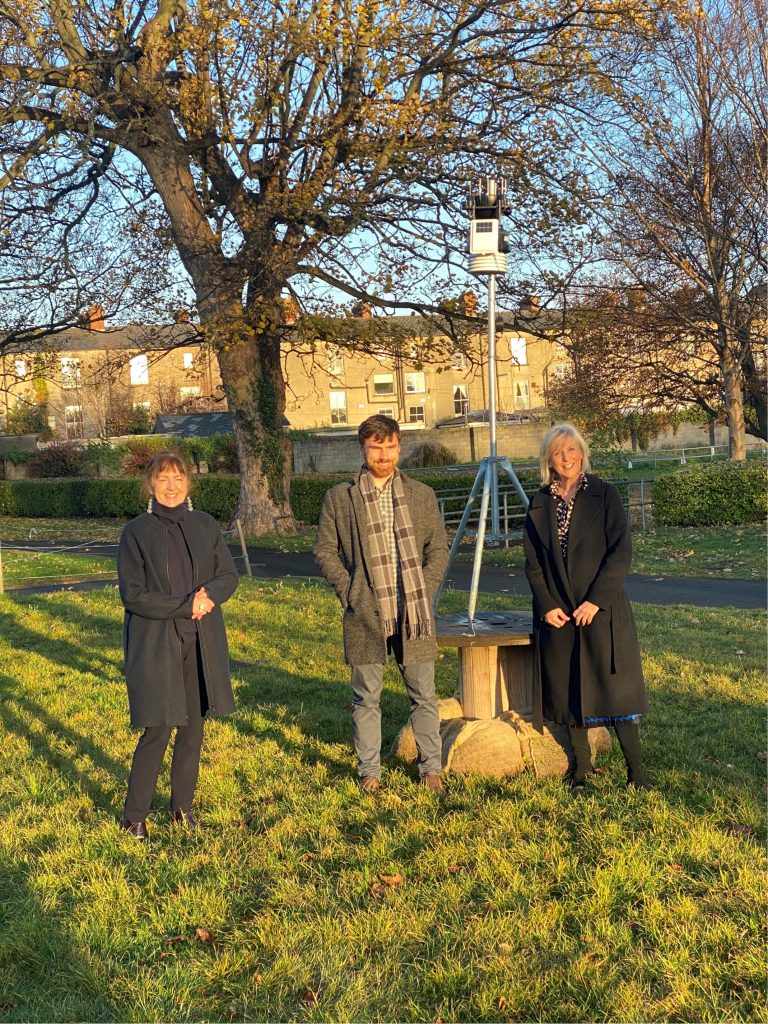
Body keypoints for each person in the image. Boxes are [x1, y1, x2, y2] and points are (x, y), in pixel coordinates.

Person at [314, 414, 449, 794]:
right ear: (363, 448)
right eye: (376, 447)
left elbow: (437, 548)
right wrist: (349, 590)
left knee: (423, 695)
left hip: (414, 613)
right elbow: (325, 550)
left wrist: (425, 585)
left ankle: (431, 770)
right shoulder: (341, 497)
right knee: (365, 698)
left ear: (399, 448)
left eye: (390, 447)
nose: (384, 455)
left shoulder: (421, 495)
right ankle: (369, 772)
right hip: (366, 612)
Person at [117, 450, 240, 838]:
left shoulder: (205, 526)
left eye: (178, 478)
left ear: (188, 483)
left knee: (193, 728)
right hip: (157, 643)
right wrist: (186, 605)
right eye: (163, 478)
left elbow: (228, 574)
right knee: (160, 726)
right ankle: (135, 815)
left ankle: (181, 809)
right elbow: (133, 595)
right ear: (151, 484)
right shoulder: (135, 532)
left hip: (200, 641)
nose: (171, 486)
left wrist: (208, 598)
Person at [523, 423, 650, 791]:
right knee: (569, 690)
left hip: (602, 610)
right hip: (559, 614)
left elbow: (620, 553)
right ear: (548, 458)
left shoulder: (605, 494)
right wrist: (546, 605)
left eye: (573, 450)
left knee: (616, 691)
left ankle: (637, 774)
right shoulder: (540, 502)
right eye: (559, 452)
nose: (567, 458)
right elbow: (532, 562)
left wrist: (596, 600)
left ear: (583, 453)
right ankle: (581, 770)